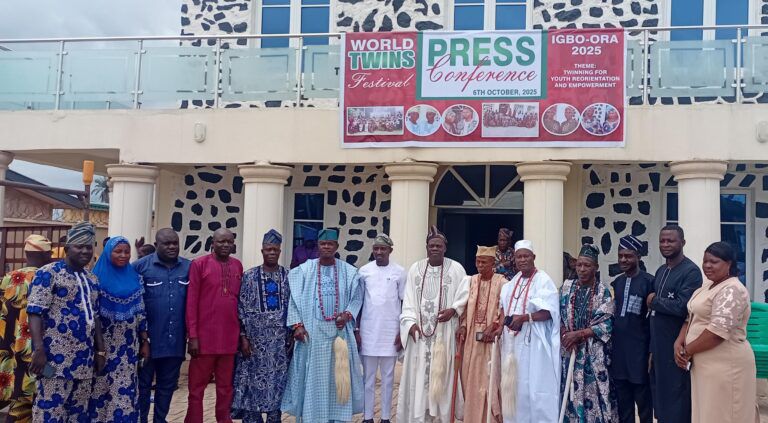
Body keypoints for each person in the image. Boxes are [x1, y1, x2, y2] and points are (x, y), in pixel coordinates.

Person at [281, 228, 364, 422]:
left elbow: (357, 297)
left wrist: (348, 314)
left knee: (338, 380)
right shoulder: (305, 270)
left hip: (339, 336)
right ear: (318, 246)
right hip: (312, 335)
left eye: (330, 244)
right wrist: (297, 325)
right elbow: (294, 300)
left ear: (337, 246)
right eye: (323, 244)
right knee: (314, 380)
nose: (326, 247)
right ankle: (312, 417)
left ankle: (338, 418)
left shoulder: (349, 272)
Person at [27, 222, 106, 422]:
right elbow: (35, 312)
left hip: (84, 361)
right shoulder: (48, 273)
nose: (85, 251)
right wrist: (38, 349)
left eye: (89, 247)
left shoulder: (92, 279)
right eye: (79, 246)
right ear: (67, 248)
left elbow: (95, 317)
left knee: (78, 414)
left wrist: (100, 351)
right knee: (49, 411)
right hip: (53, 360)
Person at [675, 242, 759, 423]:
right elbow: (691, 317)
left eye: (714, 262)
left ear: (729, 264)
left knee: (725, 414)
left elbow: (717, 333)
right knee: (708, 413)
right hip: (705, 364)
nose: (707, 266)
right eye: (705, 261)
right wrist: (679, 342)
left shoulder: (732, 290)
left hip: (726, 364)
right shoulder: (707, 287)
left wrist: (687, 351)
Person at [397, 226, 469, 423]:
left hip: (445, 333)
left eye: (438, 246)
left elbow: (465, 296)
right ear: (426, 248)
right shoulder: (415, 269)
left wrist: (454, 309)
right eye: (431, 246)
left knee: (443, 375)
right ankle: (420, 416)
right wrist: (410, 323)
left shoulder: (457, 269)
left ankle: (442, 417)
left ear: (445, 248)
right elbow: (408, 300)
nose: (435, 249)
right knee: (419, 376)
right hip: (420, 336)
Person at [231, 230, 291, 423]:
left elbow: (294, 307)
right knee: (251, 385)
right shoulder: (249, 277)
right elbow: (240, 308)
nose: (272, 252)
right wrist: (243, 337)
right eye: (268, 249)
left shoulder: (288, 277)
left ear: (280, 251)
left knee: (277, 385)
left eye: (275, 249)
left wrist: (290, 336)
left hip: (278, 347)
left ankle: (274, 419)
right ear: (262, 251)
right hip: (253, 345)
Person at [184, 229, 243, 423]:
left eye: (229, 242)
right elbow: (191, 302)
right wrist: (193, 336)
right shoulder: (199, 264)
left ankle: (223, 420)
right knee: (196, 389)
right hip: (204, 340)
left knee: (226, 388)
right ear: (212, 243)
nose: (225, 245)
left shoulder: (237, 265)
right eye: (221, 241)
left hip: (229, 339)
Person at [498, 240, 560, 423]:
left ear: (534, 257)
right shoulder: (511, 283)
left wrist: (525, 318)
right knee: (515, 387)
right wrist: (499, 326)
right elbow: (504, 309)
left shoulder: (543, 280)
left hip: (535, 345)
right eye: (519, 257)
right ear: (514, 259)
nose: (522, 260)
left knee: (535, 387)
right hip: (512, 345)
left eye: (526, 256)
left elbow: (550, 312)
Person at [133, 228, 191, 423]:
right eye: (167, 244)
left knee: (167, 387)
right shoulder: (140, 267)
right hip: (146, 343)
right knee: (142, 387)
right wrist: (142, 337)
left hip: (175, 341)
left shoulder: (189, 268)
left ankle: (160, 420)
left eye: (175, 243)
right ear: (157, 245)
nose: (172, 247)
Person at [89, 236, 149, 422]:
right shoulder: (95, 280)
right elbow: (92, 316)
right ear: (108, 253)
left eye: (126, 252)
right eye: (118, 251)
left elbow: (141, 314)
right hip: (102, 346)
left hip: (128, 346)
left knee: (125, 389)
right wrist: (98, 349)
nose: (123, 255)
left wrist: (144, 341)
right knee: (99, 389)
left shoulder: (135, 278)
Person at [648, 225, 702, 423]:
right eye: (662, 241)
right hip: (658, 346)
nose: (665, 244)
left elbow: (683, 307)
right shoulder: (661, 270)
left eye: (670, 241)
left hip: (677, 346)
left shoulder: (691, 271)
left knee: (677, 398)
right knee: (661, 398)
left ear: (683, 242)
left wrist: (654, 301)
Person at [559, 244, 618, 422]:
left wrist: (579, 335)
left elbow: (606, 323)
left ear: (596, 267)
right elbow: (558, 315)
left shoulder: (603, 292)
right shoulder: (566, 288)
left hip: (593, 354)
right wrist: (566, 335)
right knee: (568, 394)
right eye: (579, 265)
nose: (582, 269)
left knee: (595, 395)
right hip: (570, 351)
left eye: (587, 265)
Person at [0, 235, 53, 422]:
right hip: (39, 345)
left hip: (12, 344)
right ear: (46, 255)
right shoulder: (47, 278)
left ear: (26, 254)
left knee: (17, 390)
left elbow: (3, 313)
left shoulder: (9, 278)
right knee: (34, 396)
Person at [357, 234, 406, 423]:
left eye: (383, 248)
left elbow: (404, 302)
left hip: (390, 333)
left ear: (390, 250)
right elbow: (359, 302)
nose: (379, 252)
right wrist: (357, 330)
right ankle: (367, 417)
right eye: (376, 248)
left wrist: (401, 332)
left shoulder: (400, 272)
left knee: (388, 378)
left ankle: (385, 417)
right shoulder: (364, 271)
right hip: (368, 331)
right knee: (368, 379)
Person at [456, 245, 505, 423]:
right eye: (478, 262)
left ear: (493, 263)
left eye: (484, 262)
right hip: (470, 339)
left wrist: (494, 325)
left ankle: (489, 418)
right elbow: (463, 308)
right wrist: (462, 326)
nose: (480, 265)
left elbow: (505, 309)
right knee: (468, 378)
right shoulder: (471, 281)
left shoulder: (502, 283)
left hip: (490, 339)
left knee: (489, 378)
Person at [610, 235, 653, 423]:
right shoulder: (617, 283)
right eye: (620, 256)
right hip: (619, 352)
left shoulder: (649, 282)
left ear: (638, 257)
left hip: (639, 351)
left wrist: (651, 351)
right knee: (623, 403)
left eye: (628, 256)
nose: (623, 260)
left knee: (644, 403)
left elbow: (652, 320)